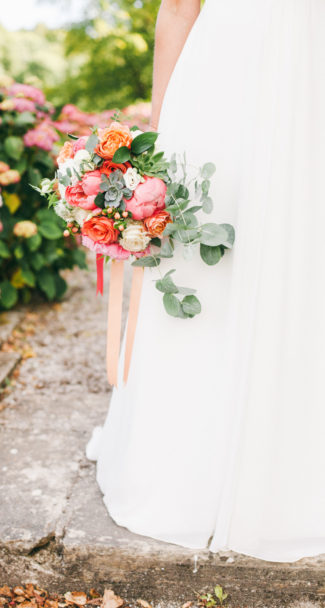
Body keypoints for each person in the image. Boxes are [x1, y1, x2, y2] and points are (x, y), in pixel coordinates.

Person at [86, 0, 325, 562]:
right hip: (225, 83)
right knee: (209, 252)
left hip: (298, 78)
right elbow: (177, 9)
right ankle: (195, 470)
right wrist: (158, 136)